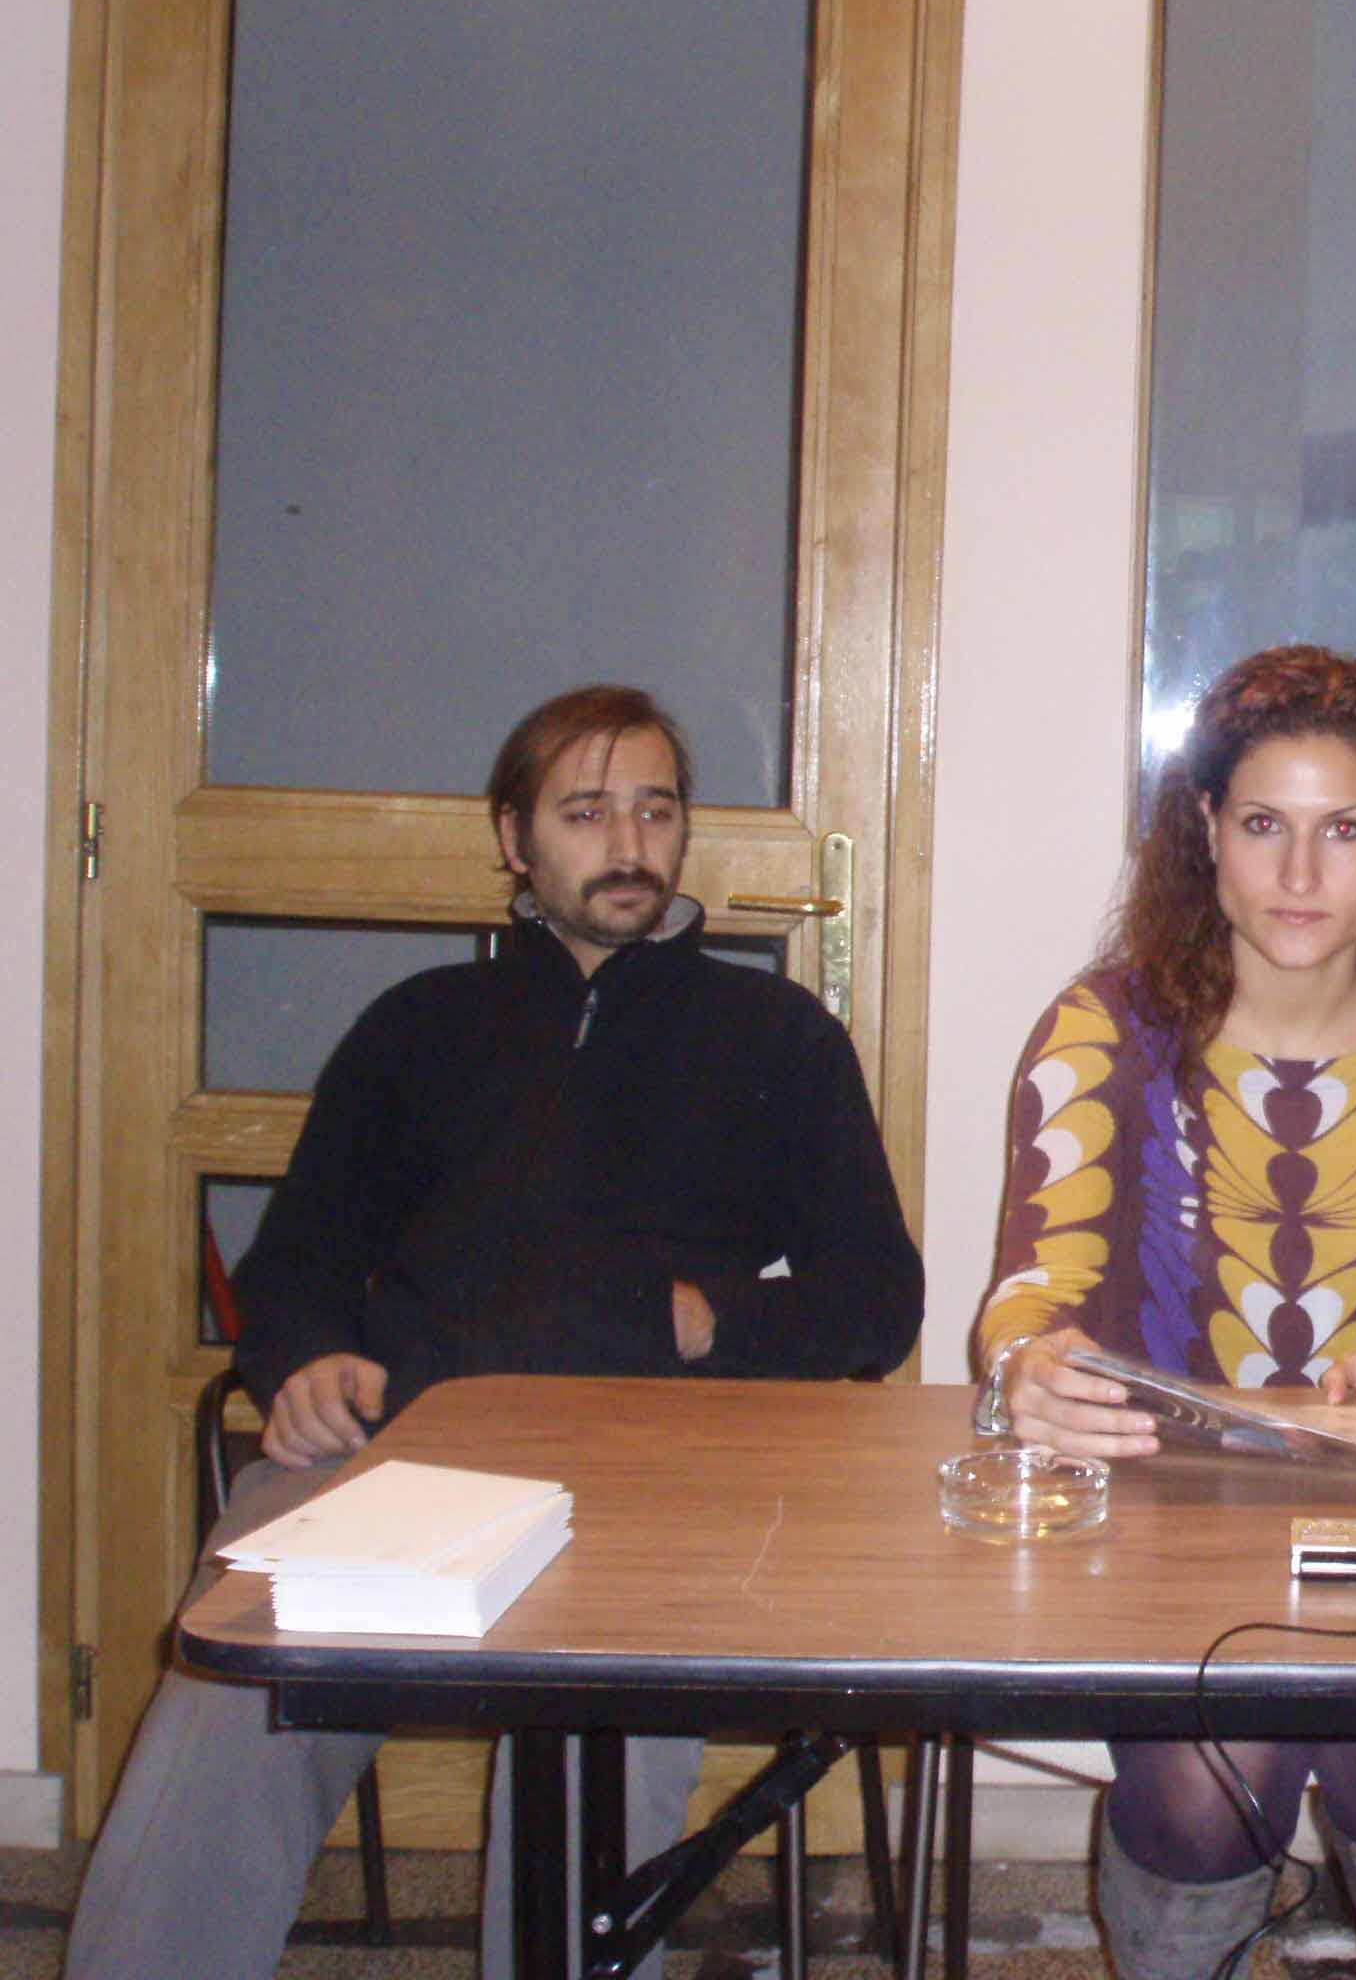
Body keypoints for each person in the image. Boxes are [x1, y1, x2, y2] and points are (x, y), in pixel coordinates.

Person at [65, 684, 925, 1980]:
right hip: (400, 1453)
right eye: (586, 813)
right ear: (515, 840)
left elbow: (879, 1296)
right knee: (237, 1678)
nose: (629, 843)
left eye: (656, 810)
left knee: (603, 1734)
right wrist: (300, 1359)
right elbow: (296, 1258)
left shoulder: (778, 1037)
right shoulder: (418, 1027)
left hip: (654, 1471)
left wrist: (717, 1321)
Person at [977, 644, 1356, 1980]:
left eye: (1345, 830)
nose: (1299, 874)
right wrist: (1029, 1362)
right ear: (1207, 832)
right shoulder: (1099, 1031)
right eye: (1264, 825)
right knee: (1210, 1769)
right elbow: (1029, 1294)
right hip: (1162, 1514)